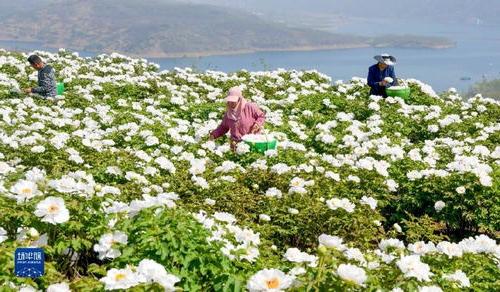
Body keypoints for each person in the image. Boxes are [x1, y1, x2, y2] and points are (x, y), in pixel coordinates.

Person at [210, 87, 266, 151]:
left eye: (233, 101)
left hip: (252, 142)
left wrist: (257, 124)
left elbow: (261, 116)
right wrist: (214, 134)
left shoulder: (250, 107)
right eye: (229, 101)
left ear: (239, 99)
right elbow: (223, 127)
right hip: (235, 145)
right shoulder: (229, 113)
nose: (230, 103)